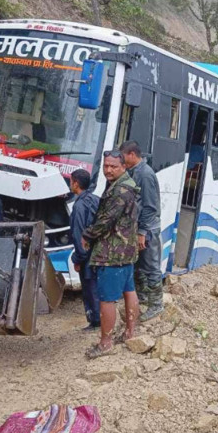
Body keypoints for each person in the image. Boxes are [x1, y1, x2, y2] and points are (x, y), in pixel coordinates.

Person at [82, 151, 140, 358]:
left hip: (112, 252)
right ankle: (130, 332)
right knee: (128, 290)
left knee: (107, 299)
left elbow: (106, 220)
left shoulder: (120, 191)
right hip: (127, 250)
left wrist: (87, 235)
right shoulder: (127, 185)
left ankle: (105, 343)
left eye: (113, 166)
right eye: (106, 165)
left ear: (123, 166)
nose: (108, 170)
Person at [120, 140, 164, 322]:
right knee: (138, 266)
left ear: (132, 154)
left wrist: (142, 232)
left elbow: (150, 207)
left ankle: (156, 305)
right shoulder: (134, 172)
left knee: (151, 267)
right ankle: (143, 298)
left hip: (147, 230)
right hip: (137, 228)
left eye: (123, 157)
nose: (122, 162)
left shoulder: (145, 174)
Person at [69, 169, 101, 332]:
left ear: (76, 183)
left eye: (71, 181)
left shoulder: (79, 205)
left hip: (87, 255)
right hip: (100, 252)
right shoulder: (95, 200)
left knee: (89, 288)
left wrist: (78, 258)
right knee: (97, 286)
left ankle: (96, 321)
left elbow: (79, 234)